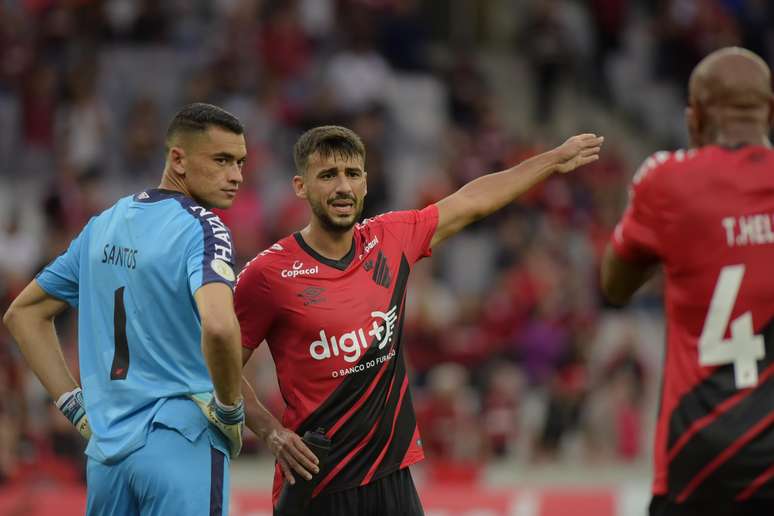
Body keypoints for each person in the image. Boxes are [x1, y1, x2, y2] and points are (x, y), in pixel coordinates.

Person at [235, 125, 603, 515]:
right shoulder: (268, 275)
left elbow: (472, 201)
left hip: (392, 479)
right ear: (300, 186)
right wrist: (270, 430)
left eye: (352, 174)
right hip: (318, 484)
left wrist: (553, 159)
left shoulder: (390, 239)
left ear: (364, 183)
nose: (342, 187)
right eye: (328, 175)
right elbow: (215, 363)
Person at [3, 103, 249, 515]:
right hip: (180, 440)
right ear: (178, 159)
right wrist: (229, 409)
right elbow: (221, 327)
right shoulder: (204, 226)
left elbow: (23, 315)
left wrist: (75, 407)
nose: (237, 176)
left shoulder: (103, 224)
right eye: (222, 160)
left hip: (107, 454)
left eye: (241, 162)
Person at [601, 47, 774, 516]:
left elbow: (614, 285)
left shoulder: (668, 181)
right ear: (769, 111)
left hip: (697, 460)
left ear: (694, 118)